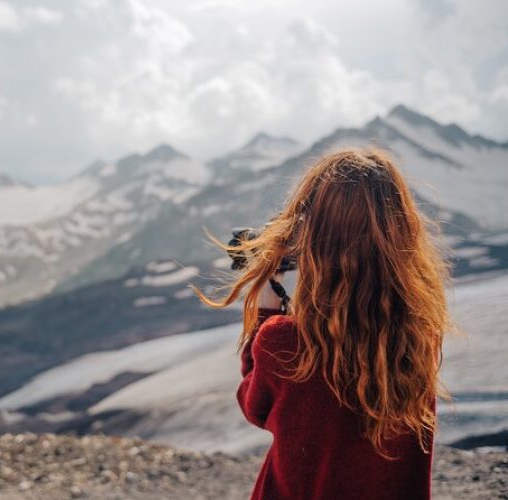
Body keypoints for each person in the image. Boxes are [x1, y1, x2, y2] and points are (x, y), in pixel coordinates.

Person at [190, 147, 456, 499]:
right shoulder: (420, 335)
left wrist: (267, 313)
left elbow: (256, 407)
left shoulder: (284, 340)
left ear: (314, 237)